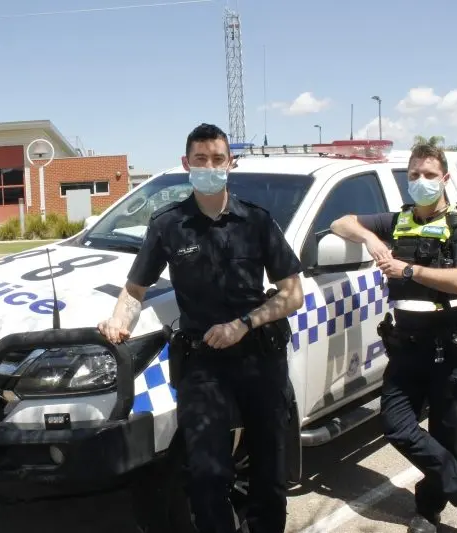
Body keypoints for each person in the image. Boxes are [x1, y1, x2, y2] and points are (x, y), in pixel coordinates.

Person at [98, 123, 304, 533]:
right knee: (206, 476)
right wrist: (118, 320)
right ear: (186, 164)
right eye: (200, 160)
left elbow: (292, 294)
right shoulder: (168, 225)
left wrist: (245, 323)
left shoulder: (257, 222)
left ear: (230, 163)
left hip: (259, 359)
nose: (209, 166)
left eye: (217, 159)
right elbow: (134, 291)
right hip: (203, 365)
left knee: (268, 473)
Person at [330, 144, 457, 533]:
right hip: (407, 348)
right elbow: (342, 222)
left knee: (445, 437)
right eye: (414, 175)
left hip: (451, 349)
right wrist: (372, 239)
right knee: (396, 425)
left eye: (428, 174)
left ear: (445, 179)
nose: (420, 181)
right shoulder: (399, 220)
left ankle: (429, 510)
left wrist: (408, 270)